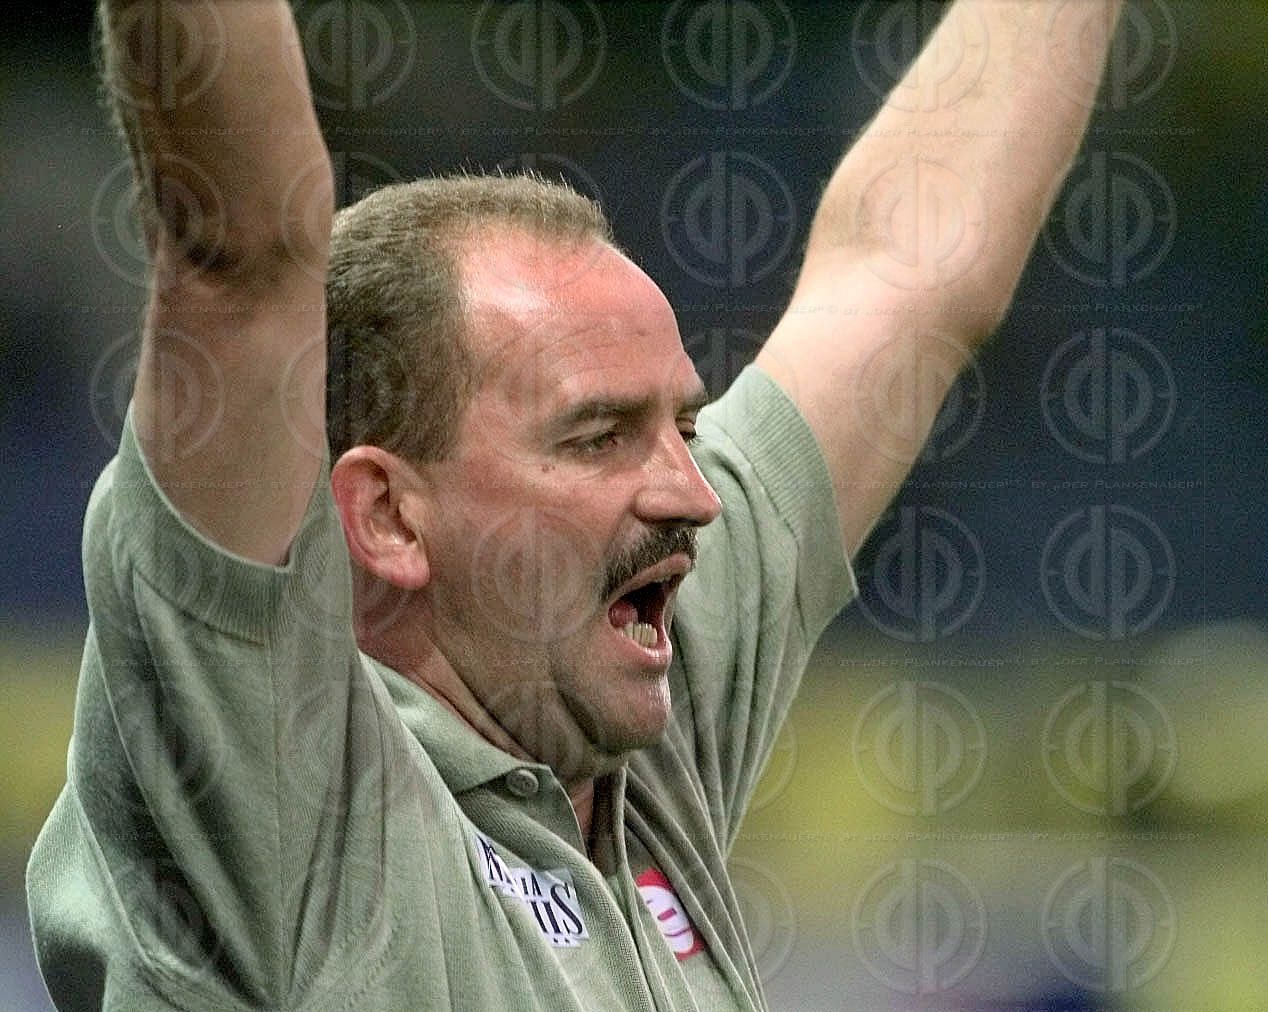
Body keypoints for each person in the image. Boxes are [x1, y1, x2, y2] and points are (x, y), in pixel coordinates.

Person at [28, 1, 1123, 1009]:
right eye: (599, 436)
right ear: (388, 516)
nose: (692, 494)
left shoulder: (624, 714)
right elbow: (241, 253)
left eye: (683, 425)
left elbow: (907, 267)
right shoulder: (277, 774)